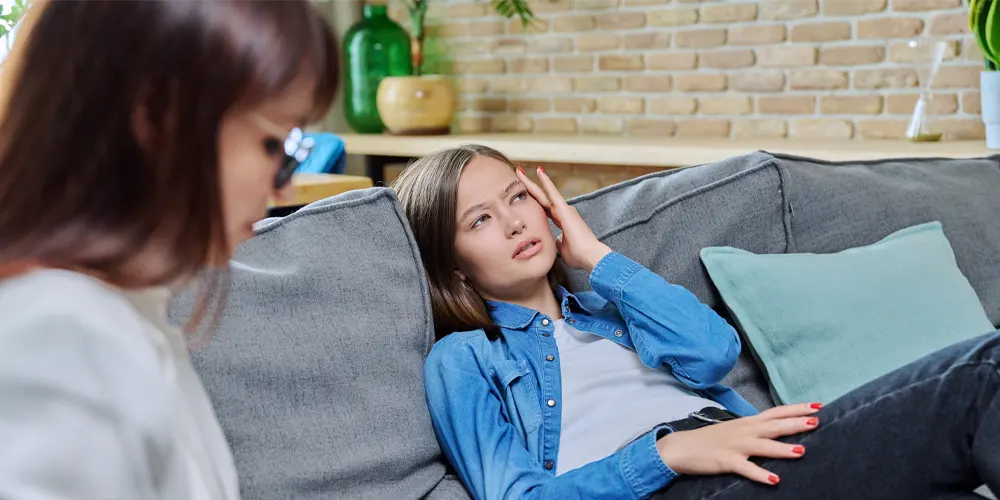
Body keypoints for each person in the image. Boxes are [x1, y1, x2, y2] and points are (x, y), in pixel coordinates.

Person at [392, 144, 1000, 500]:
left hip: (746, 453)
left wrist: (598, 260)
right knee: (983, 374)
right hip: (676, 484)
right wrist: (672, 452)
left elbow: (712, 352)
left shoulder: (613, 312)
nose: (515, 222)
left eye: (517, 197)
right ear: (456, 270)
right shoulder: (466, 359)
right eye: (479, 220)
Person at [0, 0, 338, 498]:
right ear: (158, 120)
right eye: (276, 146)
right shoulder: (59, 334)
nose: (283, 190)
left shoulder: (130, 312)